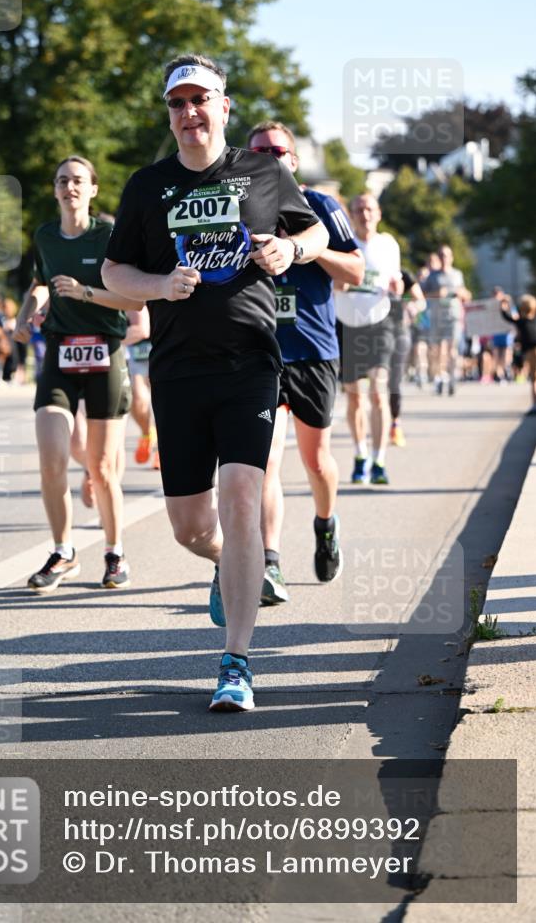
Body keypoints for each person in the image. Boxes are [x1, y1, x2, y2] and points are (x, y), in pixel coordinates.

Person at [102, 53, 329, 712]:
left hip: (251, 363)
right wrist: (156, 286)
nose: (189, 112)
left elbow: (310, 227)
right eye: (177, 103)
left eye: (200, 100)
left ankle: (235, 663)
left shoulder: (261, 172)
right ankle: (227, 567)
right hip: (176, 372)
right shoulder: (148, 186)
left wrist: (292, 250)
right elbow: (116, 273)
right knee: (190, 526)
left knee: (240, 494)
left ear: (223, 106)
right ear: (169, 114)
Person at [245, 121, 364, 600]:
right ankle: (269, 563)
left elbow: (355, 270)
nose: (269, 157)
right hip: (260, 352)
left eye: (277, 150)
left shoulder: (320, 206)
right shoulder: (242, 212)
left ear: (293, 160)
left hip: (313, 350)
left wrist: (305, 252)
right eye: (258, 152)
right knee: (265, 462)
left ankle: (325, 522)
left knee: (316, 462)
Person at [14, 155, 142, 592]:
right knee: (51, 460)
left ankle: (114, 550)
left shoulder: (110, 236)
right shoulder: (45, 236)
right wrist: (25, 313)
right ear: (54, 190)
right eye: (62, 180)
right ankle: (64, 551)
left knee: (103, 468)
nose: (70, 187)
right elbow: (39, 283)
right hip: (59, 354)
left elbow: (135, 300)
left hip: (105, 350)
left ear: (93, 190)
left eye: (78, 181)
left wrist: (86, 293)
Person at [336, 193, 402, 485]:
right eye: (359, 209)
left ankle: (379, 460)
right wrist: (341, 283)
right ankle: (360, 453)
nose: (365, 214)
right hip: (348, 324)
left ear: (379, 213)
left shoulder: (389, 244)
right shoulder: (340, 243)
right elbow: (331, 283)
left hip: (380, 322)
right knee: (354, 396)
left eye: (370, 209)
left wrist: (397, 285)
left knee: (378, 391)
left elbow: (395, 280)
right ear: (351, 214)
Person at [422, 244, 470, 396]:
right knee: (437, 350)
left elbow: (467, 295)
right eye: (441, 255)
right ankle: (439, 379)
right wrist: (437, 293)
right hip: (436, 316)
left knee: (452, 349)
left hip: (453, 316)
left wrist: (461, 293)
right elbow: (422, 294)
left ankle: (452, 378)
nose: (444, 258)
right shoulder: (433, 276)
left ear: (452, 257)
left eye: (447, 255)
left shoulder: (457, 274)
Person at [388, 269, 426, 447]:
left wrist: (408, 307)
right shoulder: (366, 267)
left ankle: (396, 423)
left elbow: (421, 301)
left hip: (398, 331)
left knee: (394, 381)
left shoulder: (403, 274)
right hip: (369, 331)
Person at [125, 306, 159, 469]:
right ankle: (147, 433)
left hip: (160, 347)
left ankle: (164, 449)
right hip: (135, 353)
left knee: (163, 403)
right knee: (137, 399)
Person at [500, 293, 536, 415]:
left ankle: (535, 404)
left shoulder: (522, 322)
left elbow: (507, 317)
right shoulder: (532, 321)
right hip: (531, 350)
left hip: (532, 351)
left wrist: (504, 306)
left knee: (534, 378)